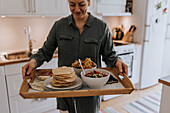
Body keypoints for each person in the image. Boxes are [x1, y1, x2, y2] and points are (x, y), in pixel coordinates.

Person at [22, 0, 128, 113]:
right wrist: (33, 62)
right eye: (72, 4)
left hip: (90, 90)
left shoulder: (101, 27)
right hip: (64, 88)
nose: (77, 9)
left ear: (89, 2)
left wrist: (118, 62)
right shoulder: (59, 26)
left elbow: (110, 56)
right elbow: (45, 52)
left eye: (81, 4)